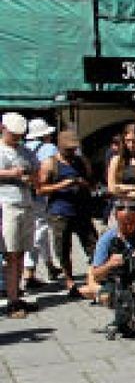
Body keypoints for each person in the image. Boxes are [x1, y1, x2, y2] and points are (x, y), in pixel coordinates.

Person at [36, 130, 98, 299]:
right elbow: (40, 189)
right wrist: (61, 185)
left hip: (82, 210)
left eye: (73, 149)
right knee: (63, 247)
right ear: (60, 147)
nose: (71, 152)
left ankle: (94, 276)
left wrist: (84, 183)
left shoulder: (82, 162)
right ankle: (69, 280)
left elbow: (93, 184)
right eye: (68, 149)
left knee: (93, 244)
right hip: (60, 211)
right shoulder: (50, 164)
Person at [0, 112, 38, 317]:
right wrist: (11, 174)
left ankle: (16, 294)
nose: (17, 138)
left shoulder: (25, 150)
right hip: (7, 204)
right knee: (11, 253)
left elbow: (36, 169)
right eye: (13, 134)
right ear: (3, 129)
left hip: (26, 203)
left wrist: (31, 176)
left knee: (22, 251)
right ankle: (12, 300)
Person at [22, 118, 59, 289]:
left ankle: (50, 265)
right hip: (40, 195)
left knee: (40, 232)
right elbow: (46, 173)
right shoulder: (48, 148)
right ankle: (29, 272)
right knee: (39, 231)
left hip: (23, 194)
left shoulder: (22, 147)